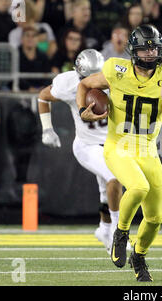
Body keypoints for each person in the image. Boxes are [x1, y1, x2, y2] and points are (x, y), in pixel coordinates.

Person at [76, 24, 162, 282]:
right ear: (133, 52)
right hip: (118, 145)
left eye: (154, 49)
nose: (150, 54)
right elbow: (84, 85)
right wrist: (83, 111)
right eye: (145, 50)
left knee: (156, 217)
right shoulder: (116, 69)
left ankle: (139, 254)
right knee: (137, 188)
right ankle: (120, 232)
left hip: (147, 149)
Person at [38, 49, 125, 255]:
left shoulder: (116, 79)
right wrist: (47, 129)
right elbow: (43, 96)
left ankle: (104, 230)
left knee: (107, 193)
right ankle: (117, 233)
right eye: (86, 77)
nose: (91, 81)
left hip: (113, 144)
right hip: (87, 146)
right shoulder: (68, 82)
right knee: (114, 178)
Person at [18, 26, 51, 92]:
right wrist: (28, 88)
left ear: (38, 39)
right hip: (20, 90)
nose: (30, 38)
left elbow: (48, 76)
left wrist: (42, 88)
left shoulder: (43, 56)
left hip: (40, 90)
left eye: (34, 36)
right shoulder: (15, 55)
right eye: (27, 35)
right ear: (22, 38)